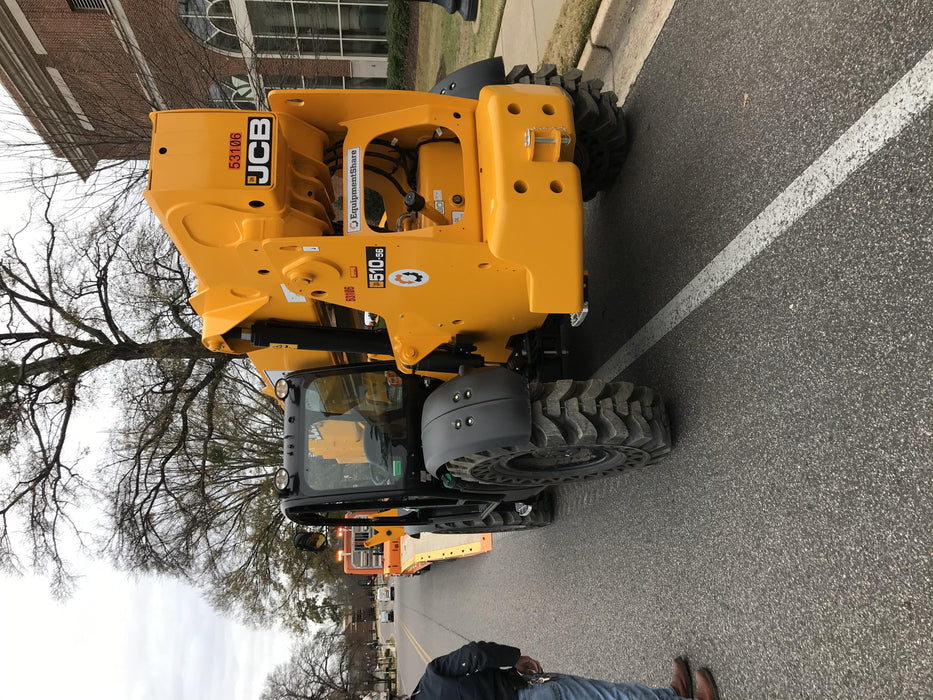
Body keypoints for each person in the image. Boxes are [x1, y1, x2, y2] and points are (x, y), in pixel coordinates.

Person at [401, 641, 720, 700]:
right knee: (605, 695)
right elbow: (477, 654)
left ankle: (669, 696)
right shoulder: (433, 679)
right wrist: (514, 656)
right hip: (524, 691)